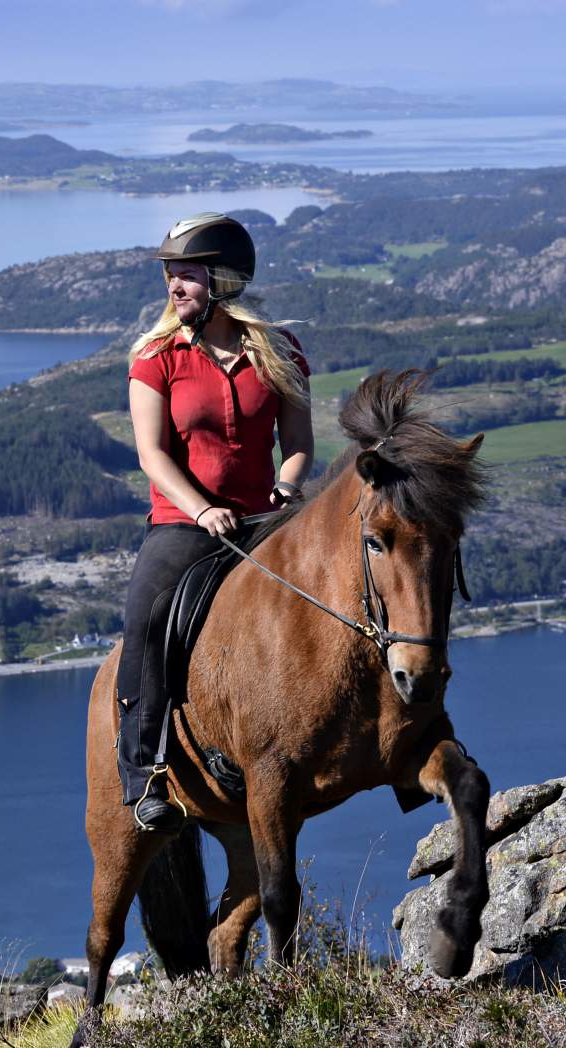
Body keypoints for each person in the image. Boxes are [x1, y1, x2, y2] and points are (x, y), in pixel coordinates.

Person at [118, 212, 314, 831]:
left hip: (264, 518)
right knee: (146, 618)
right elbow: (152, 455)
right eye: (170, 277)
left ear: (224, 282)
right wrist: (203, 509)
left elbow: (300, 443)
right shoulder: (156, 356)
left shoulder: (278, 350)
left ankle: (393, 738)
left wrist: (287, 486)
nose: (174, 288)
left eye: (187, 277)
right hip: (183, 521)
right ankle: (146, 772)